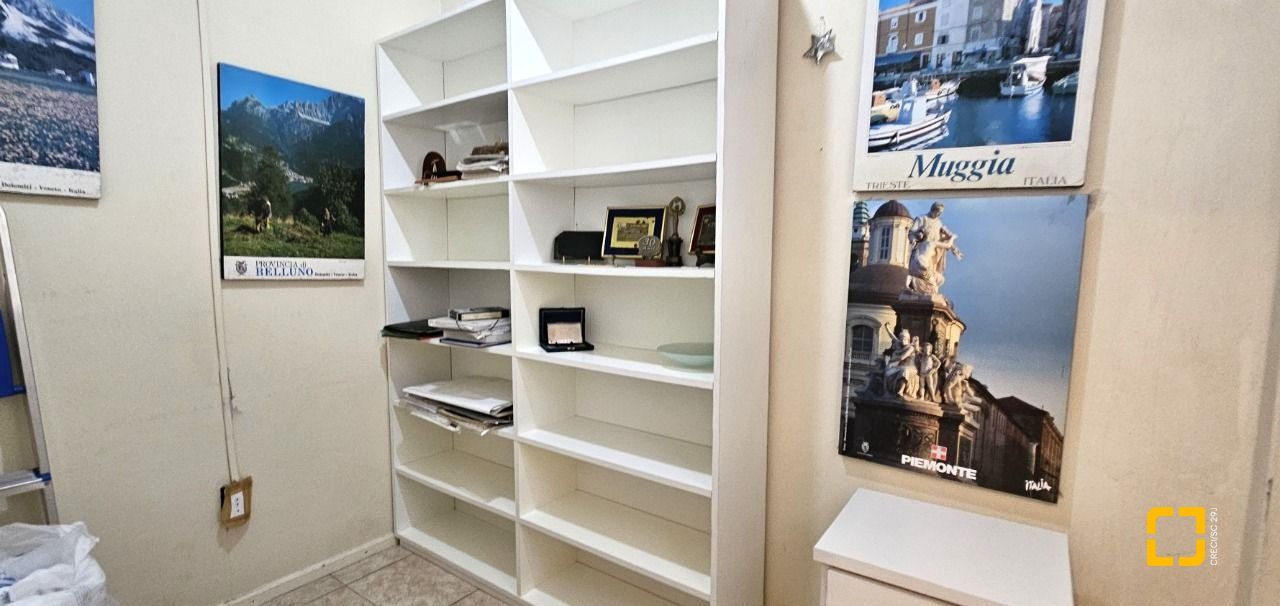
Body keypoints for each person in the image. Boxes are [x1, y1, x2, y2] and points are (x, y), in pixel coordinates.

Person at [907, 202, 963, 294]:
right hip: (923, 249)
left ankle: (928, 291)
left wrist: (955, 249)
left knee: (932, 275)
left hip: (935, 253)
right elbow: (911, 233)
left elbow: (948, 236)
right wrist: (915, 238)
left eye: (940, 213)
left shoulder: (939, 223)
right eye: (937, 212)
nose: (938, 214)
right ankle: (918, 289)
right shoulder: (922, 219)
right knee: (922, 272)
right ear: (933, 210)